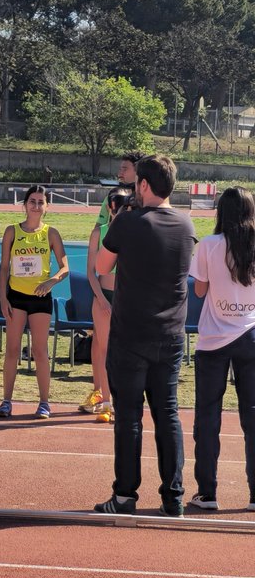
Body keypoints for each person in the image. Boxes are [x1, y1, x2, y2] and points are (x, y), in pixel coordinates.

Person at [93, 155, 195, 517]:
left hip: (130, 334)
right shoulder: (186, 224)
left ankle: (124, 495)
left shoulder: (129, 222)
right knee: (167, 414)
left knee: (129, 417)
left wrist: (121, 219)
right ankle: (174, 496)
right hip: (170, 334)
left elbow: (102, 268)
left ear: (145, 185)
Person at [189, 187, 255, 511]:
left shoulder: (209, 245)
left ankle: (207, 492)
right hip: (250, 336)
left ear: (221, 212)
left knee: (207, 418)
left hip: (214, 339)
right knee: (253, 419)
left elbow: (199, 291)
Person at [0, 185, 68, 420]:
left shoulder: (51, 234)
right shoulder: (12, 232)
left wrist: (51, 282)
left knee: (40, 351)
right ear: (25, 204)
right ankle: (6, 401)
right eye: (32, 201)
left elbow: (65, 267)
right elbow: (4, 267)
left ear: (47, 207)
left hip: (40, 299)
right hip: (16, 297)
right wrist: (3, 298)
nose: (36, 205)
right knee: (12, 350)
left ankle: (44, 403)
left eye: (41, 202)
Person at [84, 188, 132, 422]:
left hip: (126, 299)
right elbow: (91, 273)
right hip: (103, 295)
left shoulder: (134, 232)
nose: (121, 210)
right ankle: (105, 401)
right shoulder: (99, 232)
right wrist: (101, 299)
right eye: (118, 205)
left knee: (125, 352)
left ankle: (122, 400)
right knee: (104, 349)